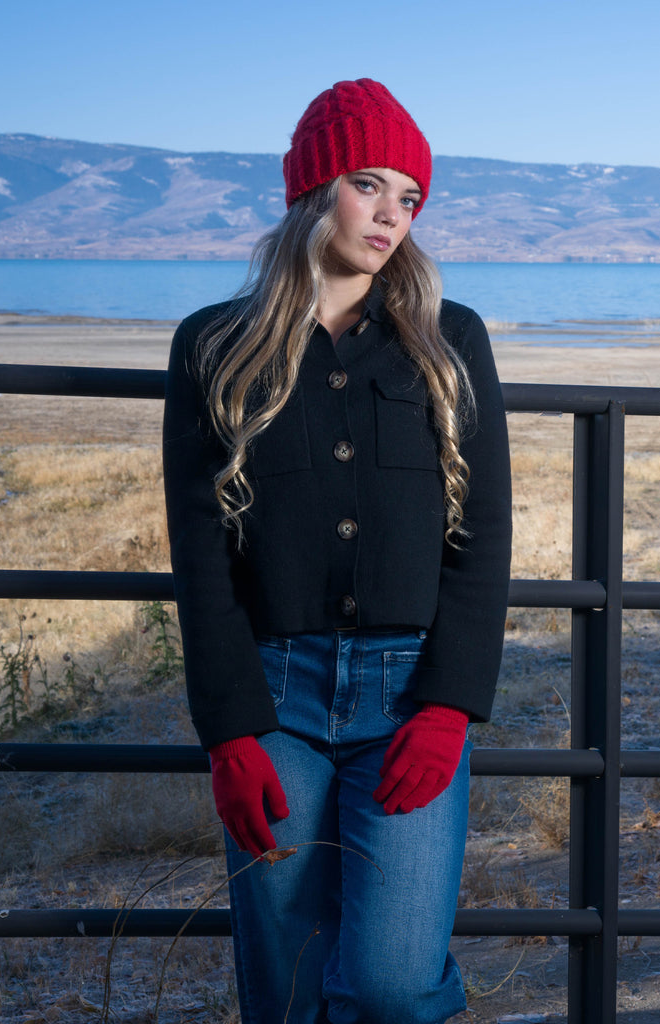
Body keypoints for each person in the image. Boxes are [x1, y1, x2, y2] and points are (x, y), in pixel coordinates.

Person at [162, 78, 512, 1024]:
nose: (392, 215)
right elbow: (200, 558)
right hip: (271, 697)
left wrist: (447, 708)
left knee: (395, 984)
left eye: (411, 197)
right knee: (287, 981)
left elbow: (482, 542)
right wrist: (231, 731)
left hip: (407, 700)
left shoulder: (448, 341)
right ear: (314, 189)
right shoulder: (213, 346)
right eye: (370, 184)